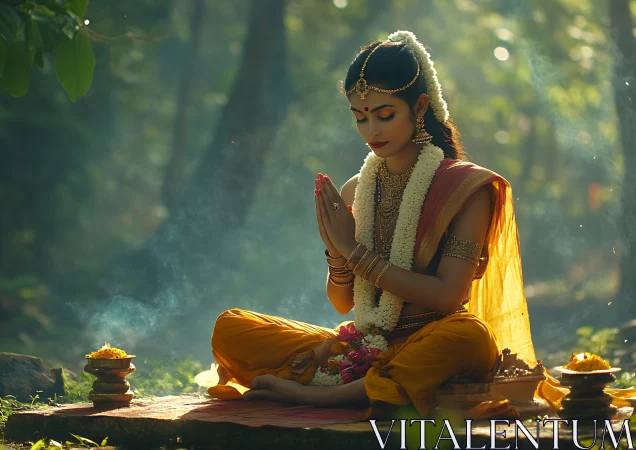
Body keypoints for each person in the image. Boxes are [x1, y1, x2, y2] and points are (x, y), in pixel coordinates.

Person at [205, 30, 636, 417]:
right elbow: (342, 304)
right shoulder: (359, 188)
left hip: (435, 339)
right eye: (359, 116)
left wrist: (355, 253)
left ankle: (319, 395)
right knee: (231, 327)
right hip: (365, 343)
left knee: (469, 336)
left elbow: (450, 296)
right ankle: (367, 387)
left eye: (384, 114)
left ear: (420, 107)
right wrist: (337, 254)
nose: (370, 129)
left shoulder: (467, 188)